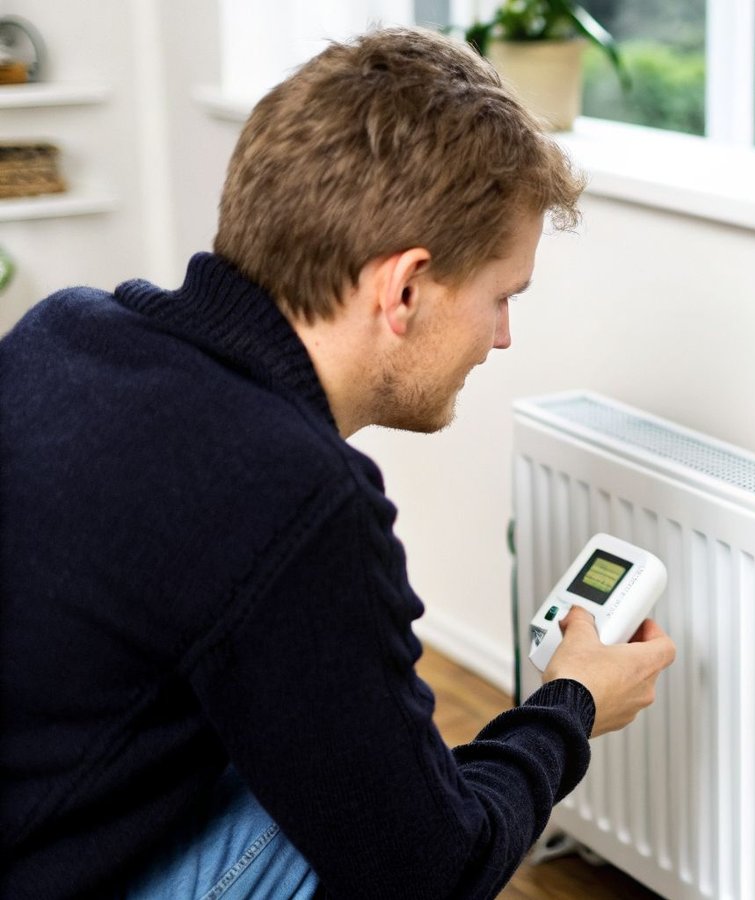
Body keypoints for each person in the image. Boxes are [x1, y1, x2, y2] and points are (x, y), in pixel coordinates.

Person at [0, 26, 676, 899]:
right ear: (403, 290)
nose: (502, 337)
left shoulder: (69, 327)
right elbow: (435, 871)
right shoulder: (289, 492)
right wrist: (570, 709)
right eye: (501, 298)